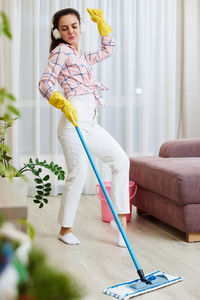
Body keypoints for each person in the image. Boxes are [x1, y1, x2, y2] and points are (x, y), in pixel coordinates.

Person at [39, 8, 130, 247]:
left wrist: (102, 23)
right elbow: (45, 81)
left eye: (74, 26)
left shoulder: (81, 55)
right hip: (73, 119)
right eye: (64, 27)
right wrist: (61, 102)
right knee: (78, 174)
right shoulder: (60, 51)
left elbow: (108, 50)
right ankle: (65, 229)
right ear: (57, 31)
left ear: (81, 26)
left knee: (121, 161)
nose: (70, 31)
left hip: (90, 120)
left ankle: (119, 222)